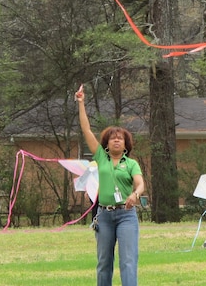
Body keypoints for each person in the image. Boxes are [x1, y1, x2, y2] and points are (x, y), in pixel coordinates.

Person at [76, 85, 145, 286]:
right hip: (104, 216)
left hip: (126, 216)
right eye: (113, 138)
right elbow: (86, 129)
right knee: (104, 262)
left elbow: (140, 184)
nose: (116, 140)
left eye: (120, 138)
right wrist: (81, 103)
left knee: (128, 261)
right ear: (106, 144)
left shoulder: (131, 164)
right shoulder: (101, 157)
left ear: (126, 144)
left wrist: (135, 194)